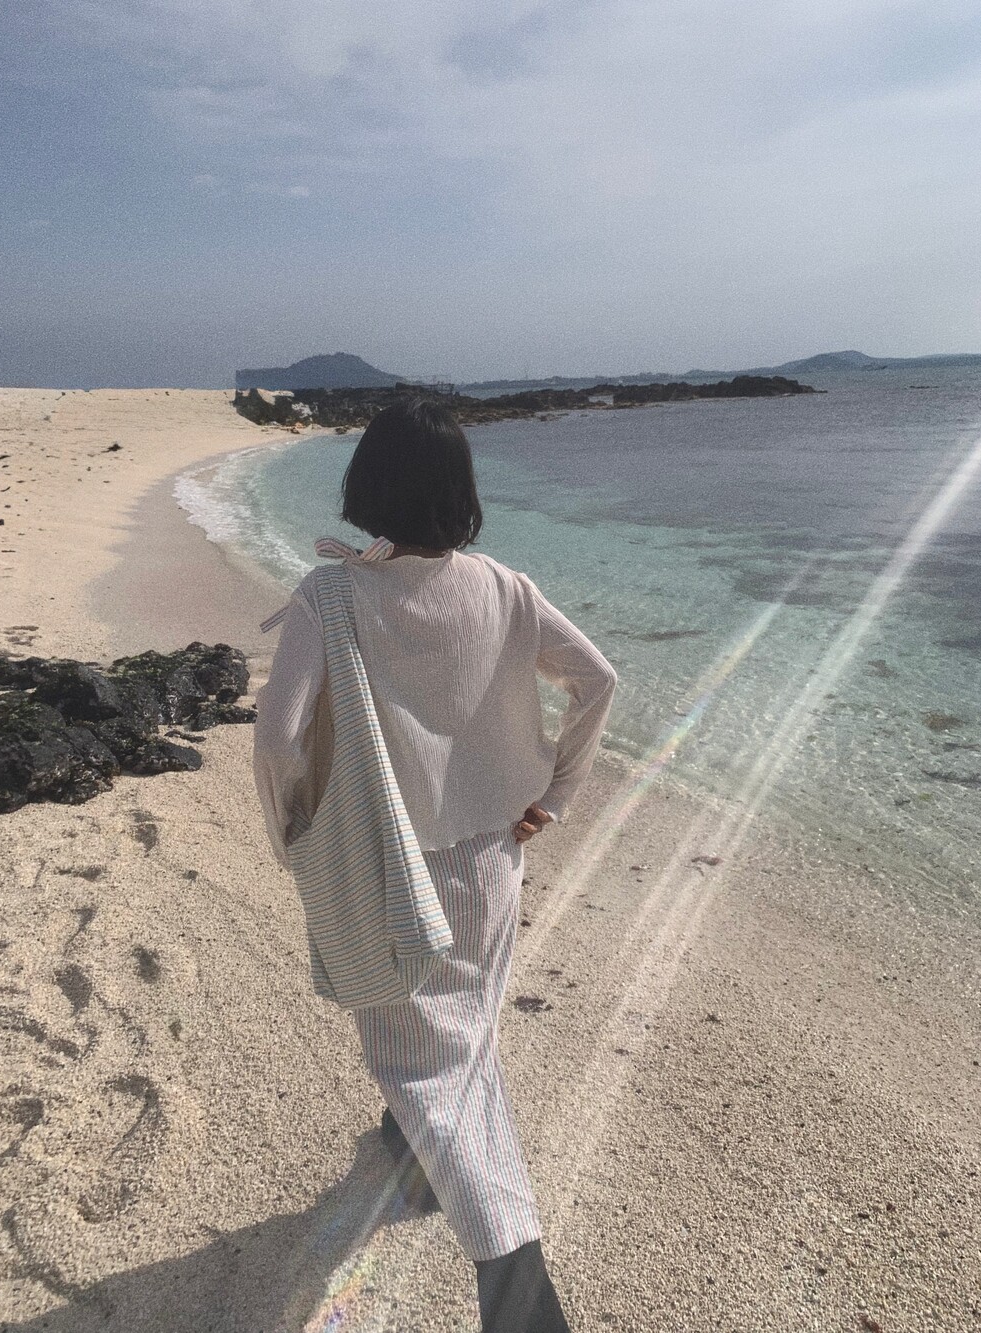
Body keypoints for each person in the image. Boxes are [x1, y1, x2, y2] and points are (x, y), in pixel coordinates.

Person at [252, 398, 616, 1333]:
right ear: (461, 491)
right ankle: (413, 1164)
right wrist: (557, 794)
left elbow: (279, 738)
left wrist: (292, 835)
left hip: (388, 869)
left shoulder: (333, 595)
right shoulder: (505, 587)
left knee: (424, 1068)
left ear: (367, 485)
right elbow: (597, 680)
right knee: (465, 1039)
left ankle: (519, 1289)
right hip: (494, 859)